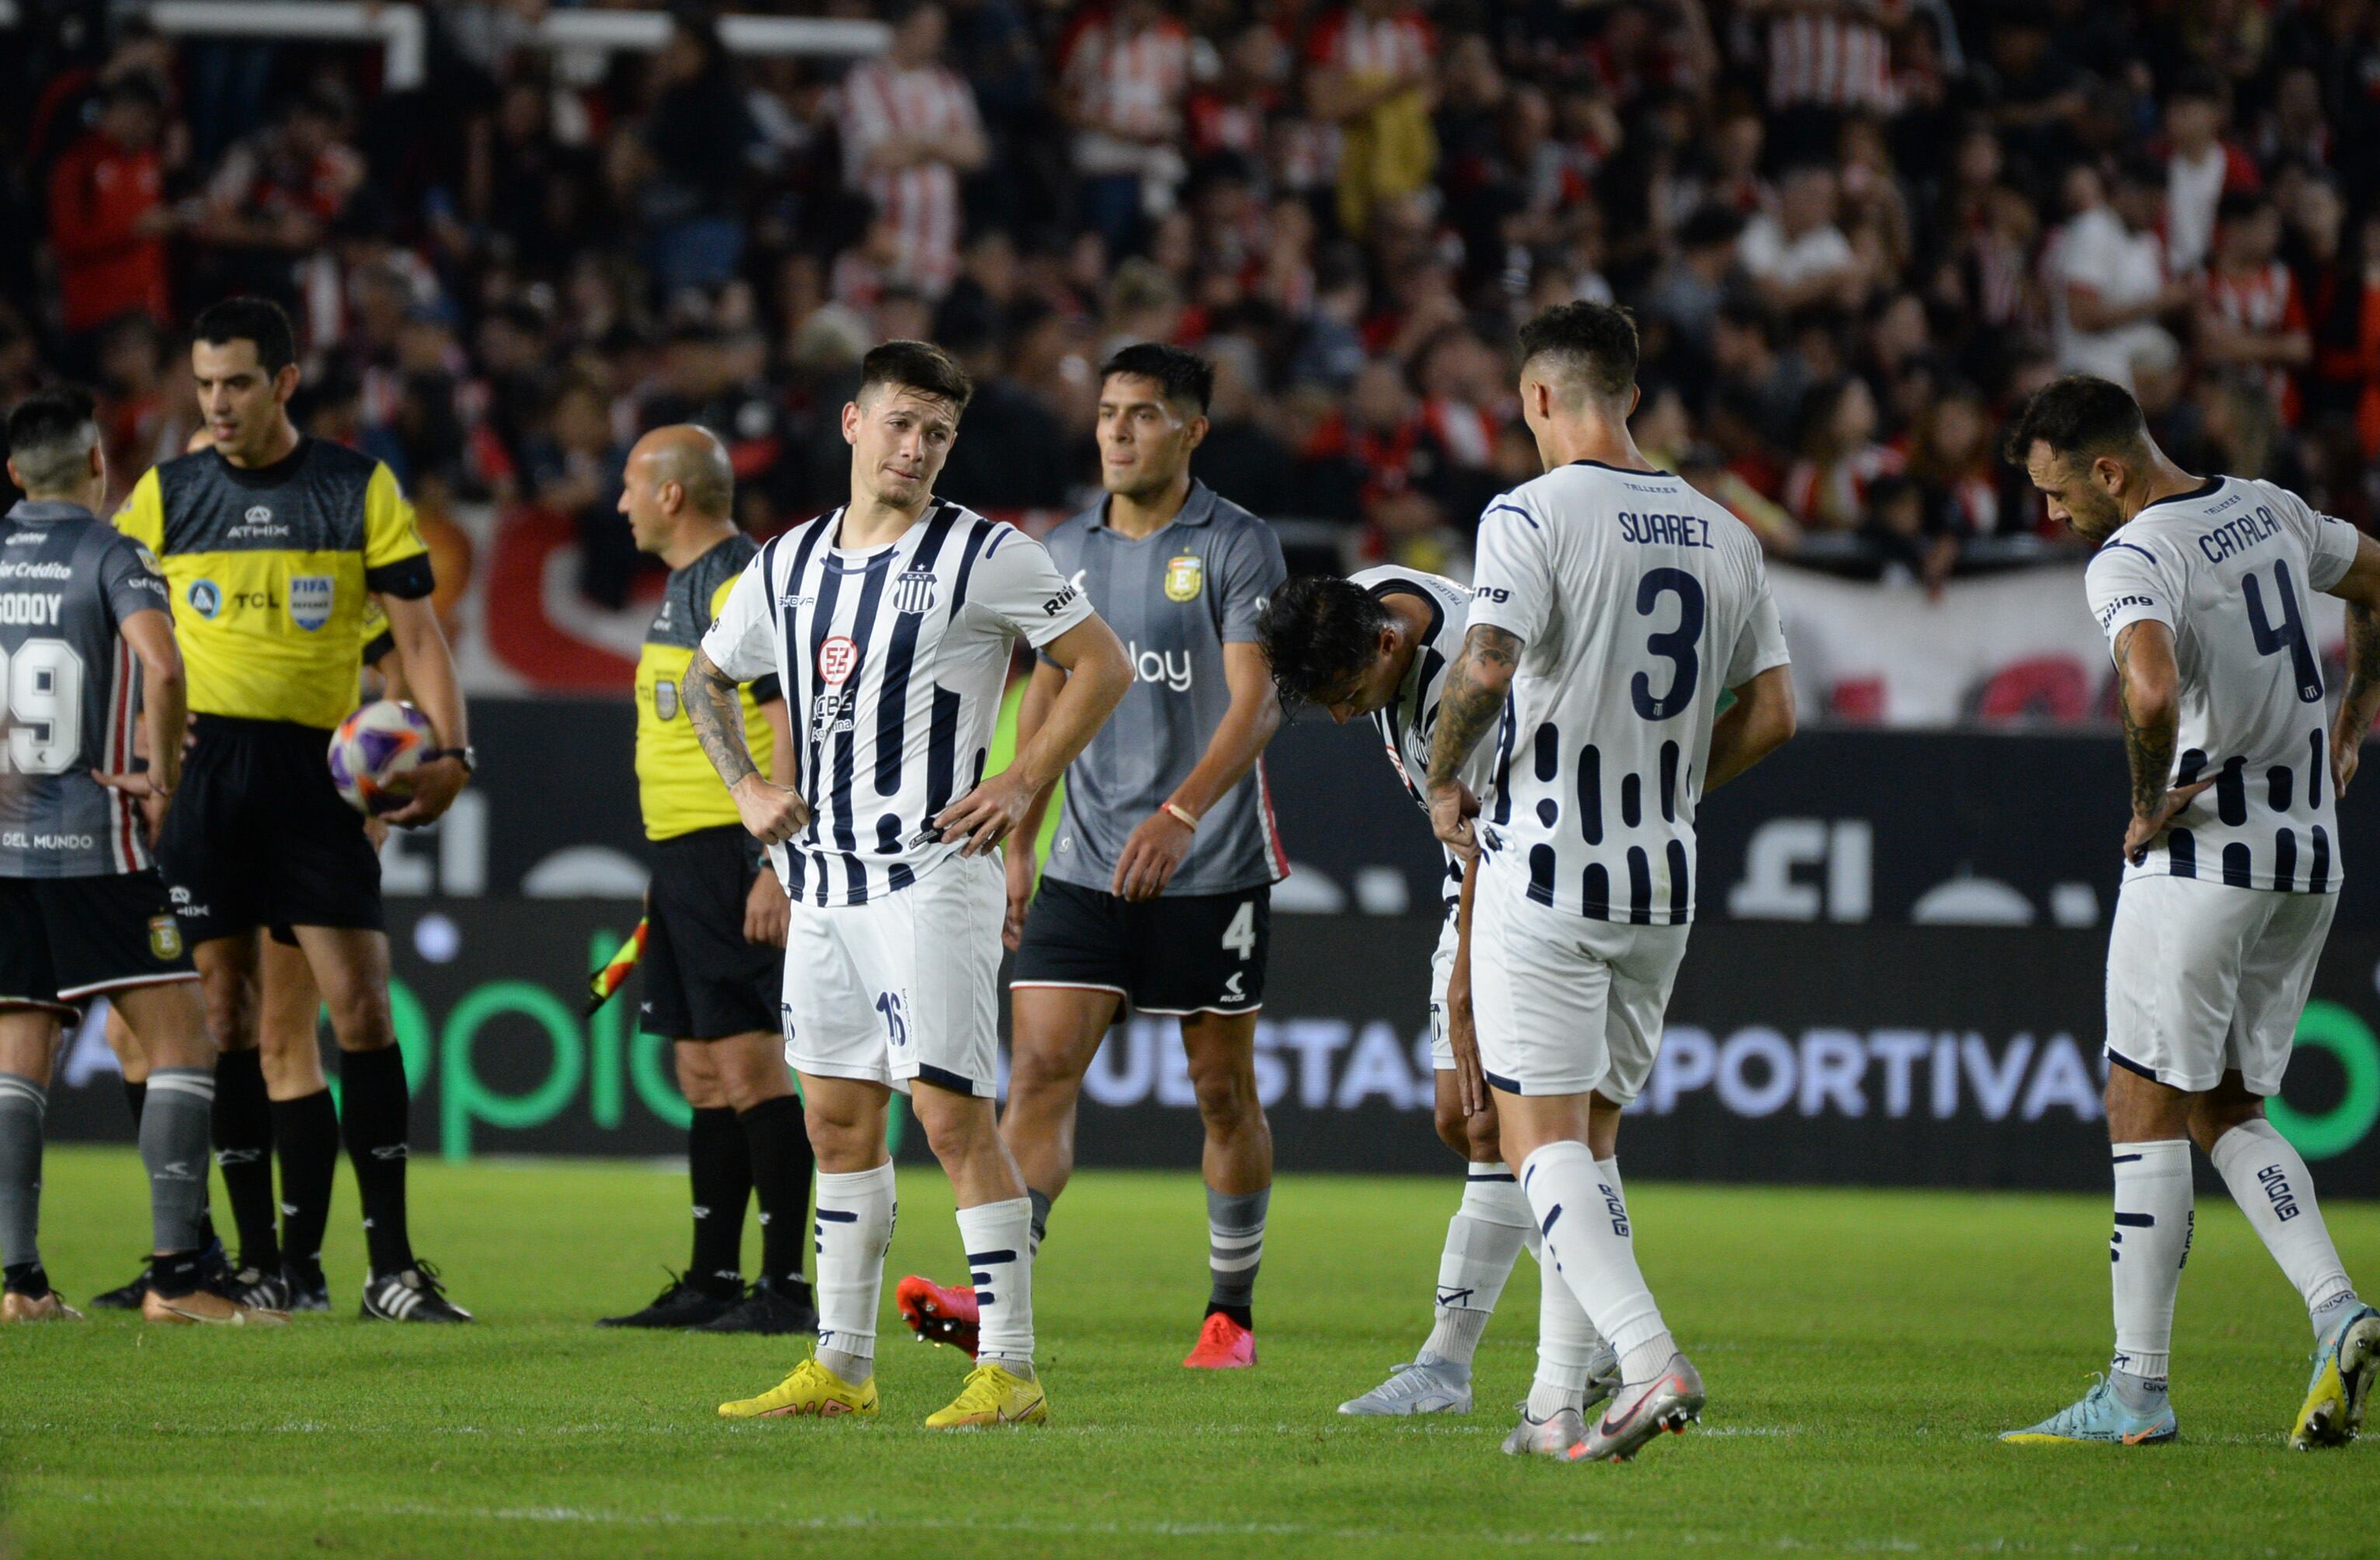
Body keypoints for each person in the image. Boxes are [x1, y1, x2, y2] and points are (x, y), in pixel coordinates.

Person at [691, 340, 1130, 1427]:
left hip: (933, 878)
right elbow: (708, 679)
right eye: (901, 424)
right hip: (824, 885)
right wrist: (747, 788)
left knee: (947, 1117)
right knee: (837, 1123)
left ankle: (1012, 1371)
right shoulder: (787, 562)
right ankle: (841, 1368)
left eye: (937, 433)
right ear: (853, 424)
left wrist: (1024, 778)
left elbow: (1102, 664)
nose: (917, 448)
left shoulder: (988, 555)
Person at [1423, 301, 1796, 1461]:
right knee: (1591, 1147)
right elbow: (1775, 714)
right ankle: (1549, 1408)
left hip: (1546, 864)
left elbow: (1484, 665)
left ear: (1539, 398)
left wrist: (1444, 778)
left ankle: (1648, 1360)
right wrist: (1679, 790)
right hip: (1663, 878)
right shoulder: (1726, 532)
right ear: (1629, 394)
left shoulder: (1527, 513)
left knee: (1536, 1147)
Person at [2000, 373, 2380, 1449]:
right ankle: (2339, 1311)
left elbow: (2153, 691)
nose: (2054, 513)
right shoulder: (2267, 505)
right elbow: (2378, 581)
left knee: (2140, 1104)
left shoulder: (2133, 555)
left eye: (2058, 490)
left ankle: (2136, 1391)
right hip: (2310, 860)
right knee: (2225, 1110)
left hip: (2205, 862)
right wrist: (2355, 716)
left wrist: (2139, 806)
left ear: (2110, 470)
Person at [898, 343, 1289, 1370]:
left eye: (1145, 414)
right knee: (1039, 1071)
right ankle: (994, 1300)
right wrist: (1021, 839)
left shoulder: (1240, 544)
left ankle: (1230, 1313)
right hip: (1082, 857)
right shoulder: (1064, 547)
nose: (1118, 430)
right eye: (1110, 411)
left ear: (1192, 431)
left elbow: (1259, 702)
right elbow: (1044, 690)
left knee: (1221, 1090)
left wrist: (1182, 813)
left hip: (1209, 863)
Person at [114, 296, 475, 1322]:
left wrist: (451, 752)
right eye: (205, 385)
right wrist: (141, 747)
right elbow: (114, 626)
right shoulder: (167, 495)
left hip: (317, 779)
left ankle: (392, 1267)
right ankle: (273, 1264)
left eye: (236, 384)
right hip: (210, 775)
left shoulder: (353, 487)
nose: (218, 404)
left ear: (282, 382)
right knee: (224, 1016)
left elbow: (416, 635)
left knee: (358, 1007)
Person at [1257, 570, 1623, 1419]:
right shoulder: (1364, 602)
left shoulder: (1465, 699)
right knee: (1468, 1120)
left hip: (1522, 888)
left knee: (1497, 1120)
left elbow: (1486, 858)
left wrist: (1463, 994)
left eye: (1350, 696)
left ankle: (1461, 1360)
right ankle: (1591, 1336)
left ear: (1389, 647)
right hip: (1479, 878)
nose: (1345, 718)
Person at [0, 388, 279, 1326]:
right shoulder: (114, 553)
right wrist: (159, 780)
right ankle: (177, 1277)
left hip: (5, 845)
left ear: (12, 474)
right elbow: (162, 665)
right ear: (95, 466)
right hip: (94, 840)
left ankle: (20, 1286)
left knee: (17, 1052)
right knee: (184, 1041)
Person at [595, 425, 817, 1336]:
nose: (619, 504)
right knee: (698, 1069)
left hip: (735, 847)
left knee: (748, 1059)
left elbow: (788, 716)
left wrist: (775, 858)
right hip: (686, 853)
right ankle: (713, 1278)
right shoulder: (690, 588)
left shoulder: (738, 584)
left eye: (630, 487)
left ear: (672, 496)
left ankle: (783, 1287)